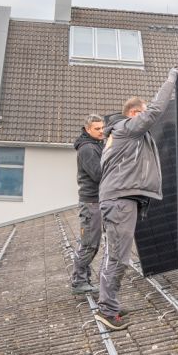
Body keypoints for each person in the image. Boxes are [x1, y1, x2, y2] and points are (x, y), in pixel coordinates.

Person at [94, 68, 178, 330]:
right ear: (134, 114)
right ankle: (107, 311)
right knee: (119, 258)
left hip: (120, 199)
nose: (149, 119)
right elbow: (155, 111)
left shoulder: (124, 137)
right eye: (143, 113)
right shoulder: (126, 128)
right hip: (119, 201)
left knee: (114, 254)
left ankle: (108, 302)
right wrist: (170, 81)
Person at [70, 114, 105, 294]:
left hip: (96, 201)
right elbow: (99, 175)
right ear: (88, 129)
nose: (101, 131)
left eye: (102, 128)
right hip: (91, 202)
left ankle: (84, 278)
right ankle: (78, 281)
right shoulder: (88, 149)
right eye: (97, 129)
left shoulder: (96, 145)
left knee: (90, 242)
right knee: (90, 244)